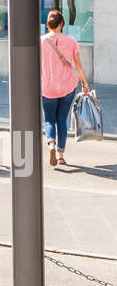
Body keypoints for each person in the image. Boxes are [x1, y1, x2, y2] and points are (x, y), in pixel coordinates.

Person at [40, 9, 89, 168]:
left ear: (48, 24)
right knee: (62, 119)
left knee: (49, 119)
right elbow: (78, 66)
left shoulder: (40, 41)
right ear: (62, 24)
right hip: (67, 87)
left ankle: (51, 144)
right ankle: (61, 156)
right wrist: (85, 83)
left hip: (48, 87)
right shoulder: (71, 41)